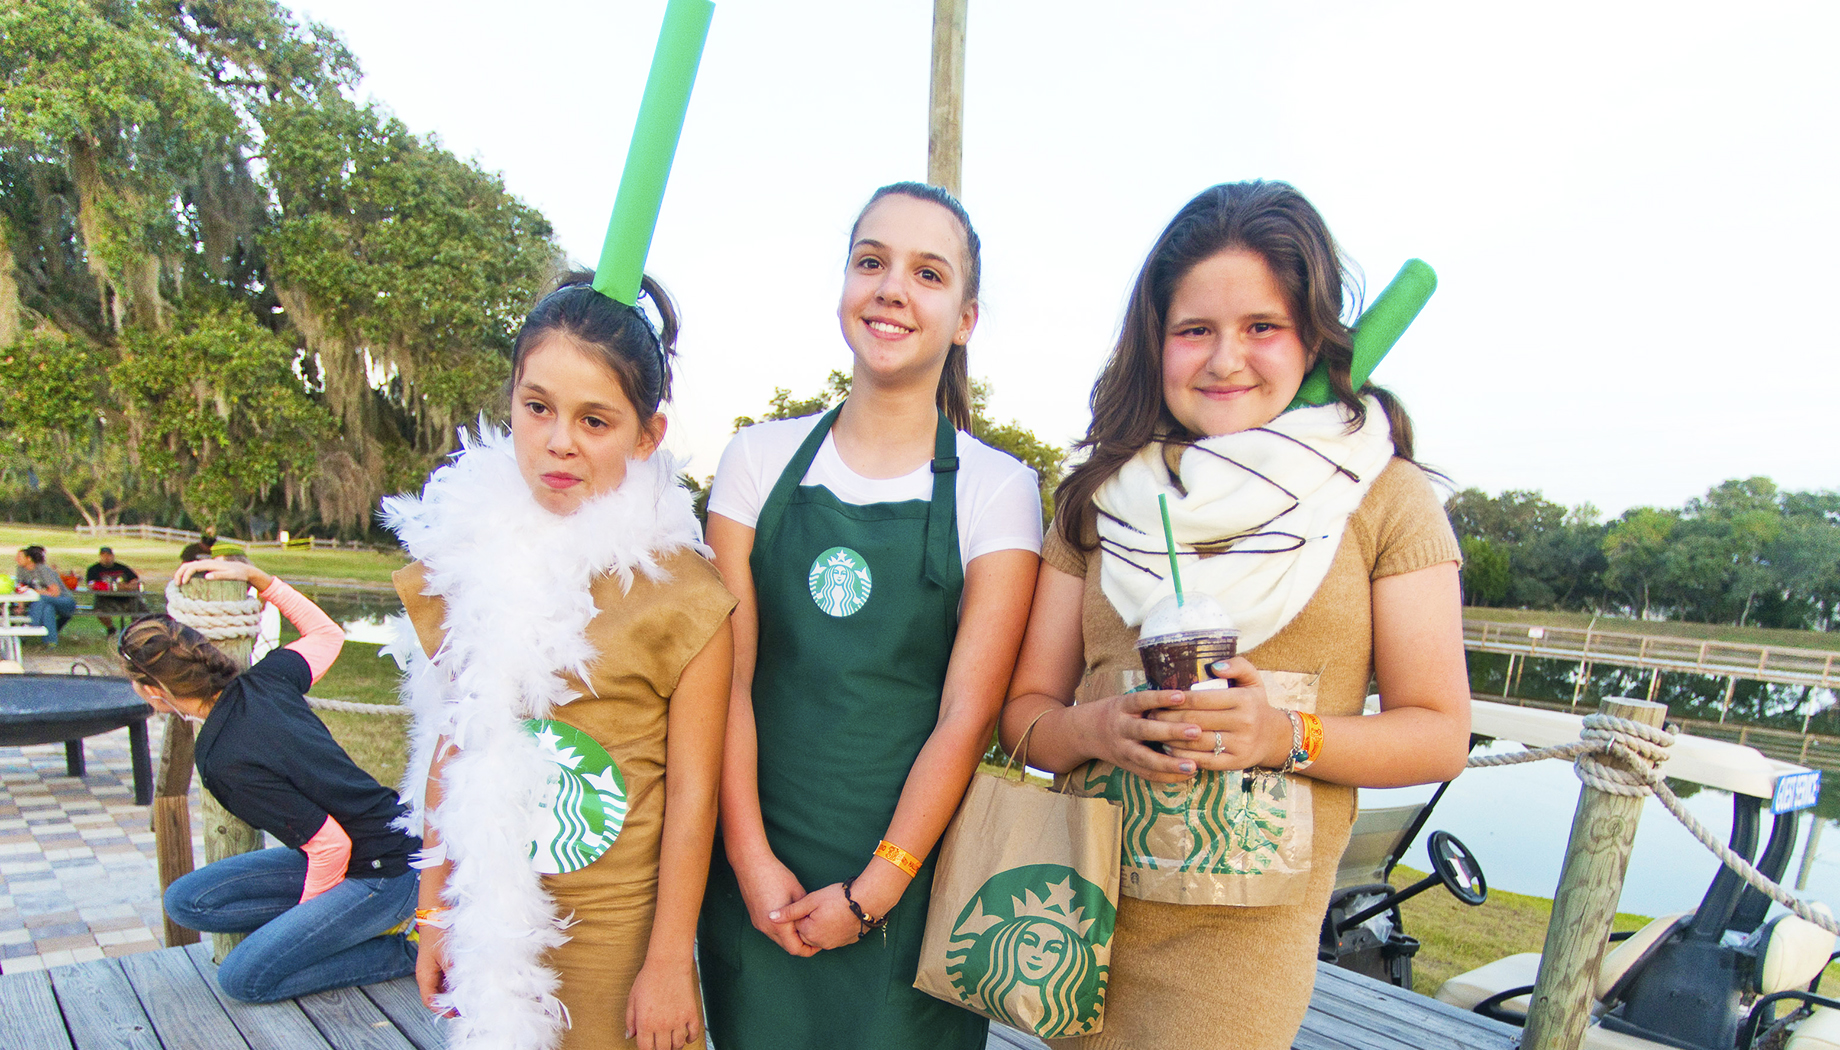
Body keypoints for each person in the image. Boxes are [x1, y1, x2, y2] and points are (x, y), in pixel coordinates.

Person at [998, 181, 1471, 1050]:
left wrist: (1282, 735)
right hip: (1075, 926)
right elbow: (1023, 718)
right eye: (1194, 330)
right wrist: (1094, 727)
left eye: (1262, 327)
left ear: (1312, 336)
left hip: (1239, 970)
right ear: (1155, 341)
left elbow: (1440, 735)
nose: (1226, 359)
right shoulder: (1100, 499)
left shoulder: (1382, 497)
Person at [697, 182, 1042, 1050]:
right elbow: (726, 684)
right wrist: (748, 859)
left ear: (965, 319)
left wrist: (876, 890)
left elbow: (968, 717)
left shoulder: (1000, 489)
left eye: (928, 273)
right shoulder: (755, 460)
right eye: (871, 262)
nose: (891, 289)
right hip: (757, 878)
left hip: (911, 892)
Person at [386, 271, 734, 1050]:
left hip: (617, 925)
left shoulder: (683, 593)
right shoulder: (473, 559)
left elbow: (693, 797)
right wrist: (436, 906)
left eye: (595, 420)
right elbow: (454, 741)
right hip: (496, 916)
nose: (559, 440)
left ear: (647, 436)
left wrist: (669, 961)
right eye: (537, 406)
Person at [125, 557, 420, 1002]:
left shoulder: (222, 761)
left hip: (389, 869)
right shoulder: (266, 678)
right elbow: (327, 634)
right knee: (186, 901)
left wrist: (309, 930)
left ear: (153, 691)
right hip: (357, 850)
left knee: (243, 980)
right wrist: (261, 581)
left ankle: (412, 948)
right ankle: (352, 923)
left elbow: (330, 847)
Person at [14, 546, 76, 646]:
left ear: (29, 559)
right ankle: (51, 643)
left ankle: (31, 625)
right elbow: (20, 589)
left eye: (19, 557)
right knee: (48, 609)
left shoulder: (43, 569)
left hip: (64, 601)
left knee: (41, 599)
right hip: (47, 602)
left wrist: (33, 591)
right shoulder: (21, 570)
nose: (16, 559)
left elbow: (55, 593)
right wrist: (20, 606)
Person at [85, 546, 142, 636]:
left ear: (113, 556)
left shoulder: (122, 568)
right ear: (100, 556)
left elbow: (135, 581)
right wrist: (112, 587)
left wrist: (122, 587)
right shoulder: (94, 569)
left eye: (108, 555)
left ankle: (137, 631)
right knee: (99, 610)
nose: (106, 557)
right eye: (103, 555)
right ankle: (111, 629)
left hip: (126, 598)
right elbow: (91, 585)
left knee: (139, 607)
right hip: (105, 599)